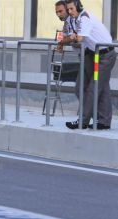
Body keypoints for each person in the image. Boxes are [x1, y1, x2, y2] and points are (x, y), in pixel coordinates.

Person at [60, 0, 117, 130]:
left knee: (94, 87)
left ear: (78, 7)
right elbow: (70, 37)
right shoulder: (75, 19)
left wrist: (70, 38)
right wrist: (68, 38)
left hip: (104, 56)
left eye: (71, 9)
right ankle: (103, 121)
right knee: (89, 87)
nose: (69, 12)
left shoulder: (84, 18)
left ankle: (83, 121)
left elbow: (80, 38)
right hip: (93, 55)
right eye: (67, 10)